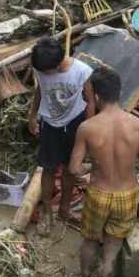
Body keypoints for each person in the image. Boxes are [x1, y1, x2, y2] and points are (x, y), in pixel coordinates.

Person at [70, 66, 139, 277]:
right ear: (119, 92)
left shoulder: (88, 128)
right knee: (111, 250)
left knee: (89, 241)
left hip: (98, 192)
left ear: (96, 96)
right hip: (127, 194)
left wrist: (92, 169)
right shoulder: (138, 125)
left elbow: (74, 169)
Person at [29, 36, 95, 231]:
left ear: (57, 65)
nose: (44, 74)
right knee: (48, 169)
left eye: (46, 71)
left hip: (75, 123)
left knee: (69, 169)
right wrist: (32, 116)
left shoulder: (82, 71)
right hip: (50, 124)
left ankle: (65, 208)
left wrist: (89, 129)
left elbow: (90, 101)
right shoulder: (41, 67)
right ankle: (47, 211)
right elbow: (40, 91)